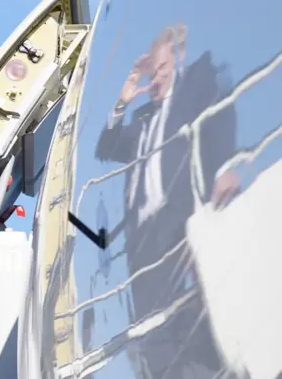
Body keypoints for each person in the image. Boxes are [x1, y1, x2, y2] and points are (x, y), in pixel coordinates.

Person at [95, 25, 239, 378]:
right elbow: (105, 149)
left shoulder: (195, 88)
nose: (155, 80)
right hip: (142, 243)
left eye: (161, 70)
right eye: (152, 73)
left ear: (178, 59)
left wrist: (225, 166)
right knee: (153, 335)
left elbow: (219, 111)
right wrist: (123, 101)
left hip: (178, 224)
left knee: (194, 319)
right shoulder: (142, 121)